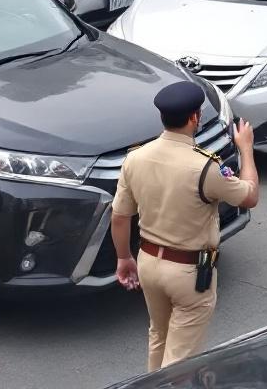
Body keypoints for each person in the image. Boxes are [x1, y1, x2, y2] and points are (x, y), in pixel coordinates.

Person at [111, 82, 259, 371]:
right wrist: (247, 149)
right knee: (179, 363)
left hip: (149, 262)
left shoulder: (135, 158)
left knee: (159, 337)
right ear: (194, 118)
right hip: (188, 272)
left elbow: (119, 216)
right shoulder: (205, 167)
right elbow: (250, 195)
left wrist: (123, 257)